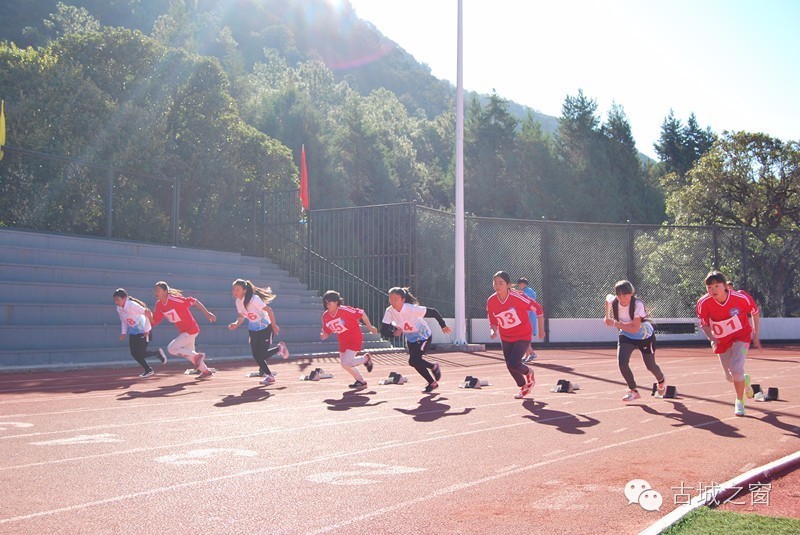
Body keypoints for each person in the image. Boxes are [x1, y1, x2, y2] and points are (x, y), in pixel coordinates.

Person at [697, 270, 760, 416]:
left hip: (742, 338)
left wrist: (755, 334)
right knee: (730, 376)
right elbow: (704, 323)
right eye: (709, 287)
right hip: (722, 341)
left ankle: (739, 401)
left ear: (725, 286)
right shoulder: (703, 302)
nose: (713, 290)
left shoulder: (740, 297)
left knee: (736, 367)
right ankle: (745, 380)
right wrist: (712, 339)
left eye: (717, 286)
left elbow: (755, 312)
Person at [604, 280, 666, 402]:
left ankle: (661, 380)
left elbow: (635, 329)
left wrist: (615, 323)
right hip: (626, 335)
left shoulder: (638, 305)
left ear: (631, 293)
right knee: (622, 362)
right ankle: (633, 390)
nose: (622, 298)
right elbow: (607, 299)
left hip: (644, 336)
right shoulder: (615, 301)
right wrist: (607, 316)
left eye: (625, 295)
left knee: (650, 366)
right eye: (619, 295)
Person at [380, 287, 452, 393]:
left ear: (403, 300)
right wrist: (393, 333)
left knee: (413, 360)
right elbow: (383, 331)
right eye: (390, 299)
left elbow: (433, 312)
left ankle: (432, 375)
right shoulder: (389, 311)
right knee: (414, 362)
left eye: (396, 299)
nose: (392, 302)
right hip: (411, 338)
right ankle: (433, 373)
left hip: (423, 336)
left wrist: (443, 326)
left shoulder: (411, 309)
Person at [487, 271, 544, 399]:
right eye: (495, 283)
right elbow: (492, 319)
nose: (497, 285)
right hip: (506, 336)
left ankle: (529, 373)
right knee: (510, 366)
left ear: (508, 285)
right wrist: (493, 330)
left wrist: (541, 330)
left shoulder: (517, 297)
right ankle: (524, 386)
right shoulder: (491, 301)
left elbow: (538, 309)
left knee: (514, 363)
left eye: (500, 283)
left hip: (522, 335)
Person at [228, 279, 289, 386]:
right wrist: (235, 324)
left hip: (266, 328)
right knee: (256, 355)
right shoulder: (238, 302)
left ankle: (269, 375)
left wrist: (274, 326)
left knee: (260, 355)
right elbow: (241, 316)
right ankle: (279, 350)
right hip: (253, 329)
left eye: (237, 289)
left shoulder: (254, 299)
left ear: (244, 291)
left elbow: (269, 310)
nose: (234, 292)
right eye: (233, 289)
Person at [152, 281, 216, 379]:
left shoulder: (174, 299)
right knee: (191, 355)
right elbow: (155, 320)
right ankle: (206, 372)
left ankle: (198, 356)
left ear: (165, 291)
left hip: (191, 329)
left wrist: (207, 313)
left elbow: (193, 301)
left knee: (171, 349)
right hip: (184, 331)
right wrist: (147, 319)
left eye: (158, 290)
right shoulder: (159, 305)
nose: (155, 293)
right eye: (155, 291)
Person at [320, 290, 378, 389]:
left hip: (354, 337)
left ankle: (365, 360)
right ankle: (361, 380)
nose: (327, 305)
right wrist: (324, 335)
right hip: (343, 340)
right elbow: (327, 330)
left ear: (336, 302)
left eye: (329, 303)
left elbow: (362, 313)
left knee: (345, 363)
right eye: (326, 303)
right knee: (346, 364)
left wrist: (370, 327)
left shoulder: (345, 311)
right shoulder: (325, 316)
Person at [113, 288, 166, 378]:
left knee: (140, 353)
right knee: (134, 353)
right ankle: (149, 367)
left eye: (117, 300)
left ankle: (151, 363)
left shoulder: (132, 305)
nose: (116, 302)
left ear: (124, 298)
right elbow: (123, 320)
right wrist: (123, 333)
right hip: (133, 332)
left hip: (144, 331)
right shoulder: (119, 308)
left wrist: (146, 330)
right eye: (115, 300)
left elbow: (147, 314)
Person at [726, 281, 762, 350]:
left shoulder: (741, 296)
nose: (729, 289)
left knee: (742, 354)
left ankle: (743, 356)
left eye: (730, 287)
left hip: (744, 335)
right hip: (729, 335)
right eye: (727, 288)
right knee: (730, 357)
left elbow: (754, 311)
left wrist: (755, 335)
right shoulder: (721, 300)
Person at [517, 277, 539, 362]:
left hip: (528, 319)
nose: (521, 285)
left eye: (523, 284)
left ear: (526, 285)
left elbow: (525, 307)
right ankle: (527, 355)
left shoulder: (527, 294)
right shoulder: (524, 293)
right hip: (526, 319)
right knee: (524, 338)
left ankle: (532, 354)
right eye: (520, 284)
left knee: (524, 339)